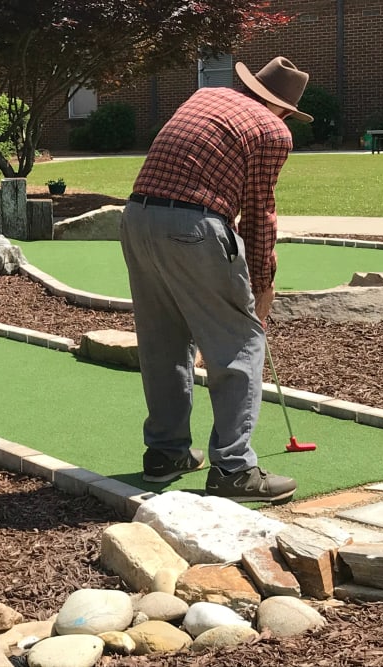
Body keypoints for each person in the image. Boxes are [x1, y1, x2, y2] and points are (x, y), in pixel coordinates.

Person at [120, 56, 313, 503]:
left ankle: (166, 454)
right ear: (284, 108)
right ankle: (234, 469)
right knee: (240, 344)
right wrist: (262, 284)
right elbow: (259, 211)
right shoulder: (273, 131)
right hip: (194, 226)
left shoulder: (205, 95)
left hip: (136, 218)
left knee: (163, 341)